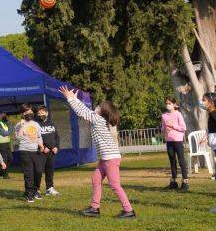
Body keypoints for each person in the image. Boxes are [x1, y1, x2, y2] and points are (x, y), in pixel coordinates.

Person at [59, 86, 135, 219]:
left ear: (103, 112)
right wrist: (75, 99)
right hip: (105, 158)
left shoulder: (98, 119)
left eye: (99, 106)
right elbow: (85, 111)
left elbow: (82, 113)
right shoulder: (98, 118)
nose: (97, 106)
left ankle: (129, 210)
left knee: (115, 185)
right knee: (96, 180)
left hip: (110, 159)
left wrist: (70, 99)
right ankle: (94, 208)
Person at [15, 103, 44, 202]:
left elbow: (39, 136)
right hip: (25, 151)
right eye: (27, 112)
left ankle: (36, 190)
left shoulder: (36, 124)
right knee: (29, 174)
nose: (29, 113)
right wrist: (22, 126)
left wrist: (41, 145)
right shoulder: (19, 125)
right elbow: (18, 138)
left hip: (35, 151)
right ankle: (28, 193)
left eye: (31, 111)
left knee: (39, 171)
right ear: (22, 114)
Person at [160, 97, 188, 191]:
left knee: (181, 161)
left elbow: (183, 128)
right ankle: (173, 182)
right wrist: (165, 129)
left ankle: (185, 181)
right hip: (169, 141)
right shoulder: (164, 116)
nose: (168, 105)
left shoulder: (178, 114)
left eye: (169, 103)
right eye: (166, 103)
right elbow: (163, 128)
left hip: (178, 140)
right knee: (172, 161)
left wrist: (174, 126)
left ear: (174, 104)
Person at [36, 105, 61, 196]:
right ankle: (36, 189)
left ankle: (49, 188)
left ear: (46, 113)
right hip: (41, 152)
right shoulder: (36, 124)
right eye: (39, 113)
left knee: (50, 171)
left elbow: (57, 137)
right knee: (38, 171)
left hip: (52, 152)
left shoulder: (52, 124)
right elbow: (35, 138)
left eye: (42, 113)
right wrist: (43, 147)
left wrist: (56, 147)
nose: (40, 115)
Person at [0, 113, 13, 179]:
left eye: (5, 115)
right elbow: (4, 133)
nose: (5, 117)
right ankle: (5, 175)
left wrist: (9, 125)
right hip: (1, 143)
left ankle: (2, 171)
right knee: (4, 159)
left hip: (7, 142)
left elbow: (9, 131)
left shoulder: (5, 123)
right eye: (3, 115)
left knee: (10, 158)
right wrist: (10, 126)